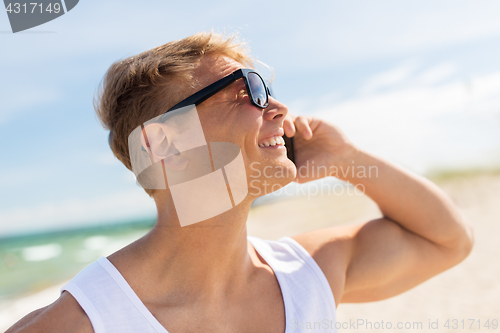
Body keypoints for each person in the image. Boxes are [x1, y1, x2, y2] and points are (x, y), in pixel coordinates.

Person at [7, 32, 474, 333]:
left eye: (267, 90)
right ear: (164, 146)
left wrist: (349, 161)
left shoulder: (304, 274)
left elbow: (448, 240)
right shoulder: (83, 322)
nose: (279, 108)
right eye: (247, 90)